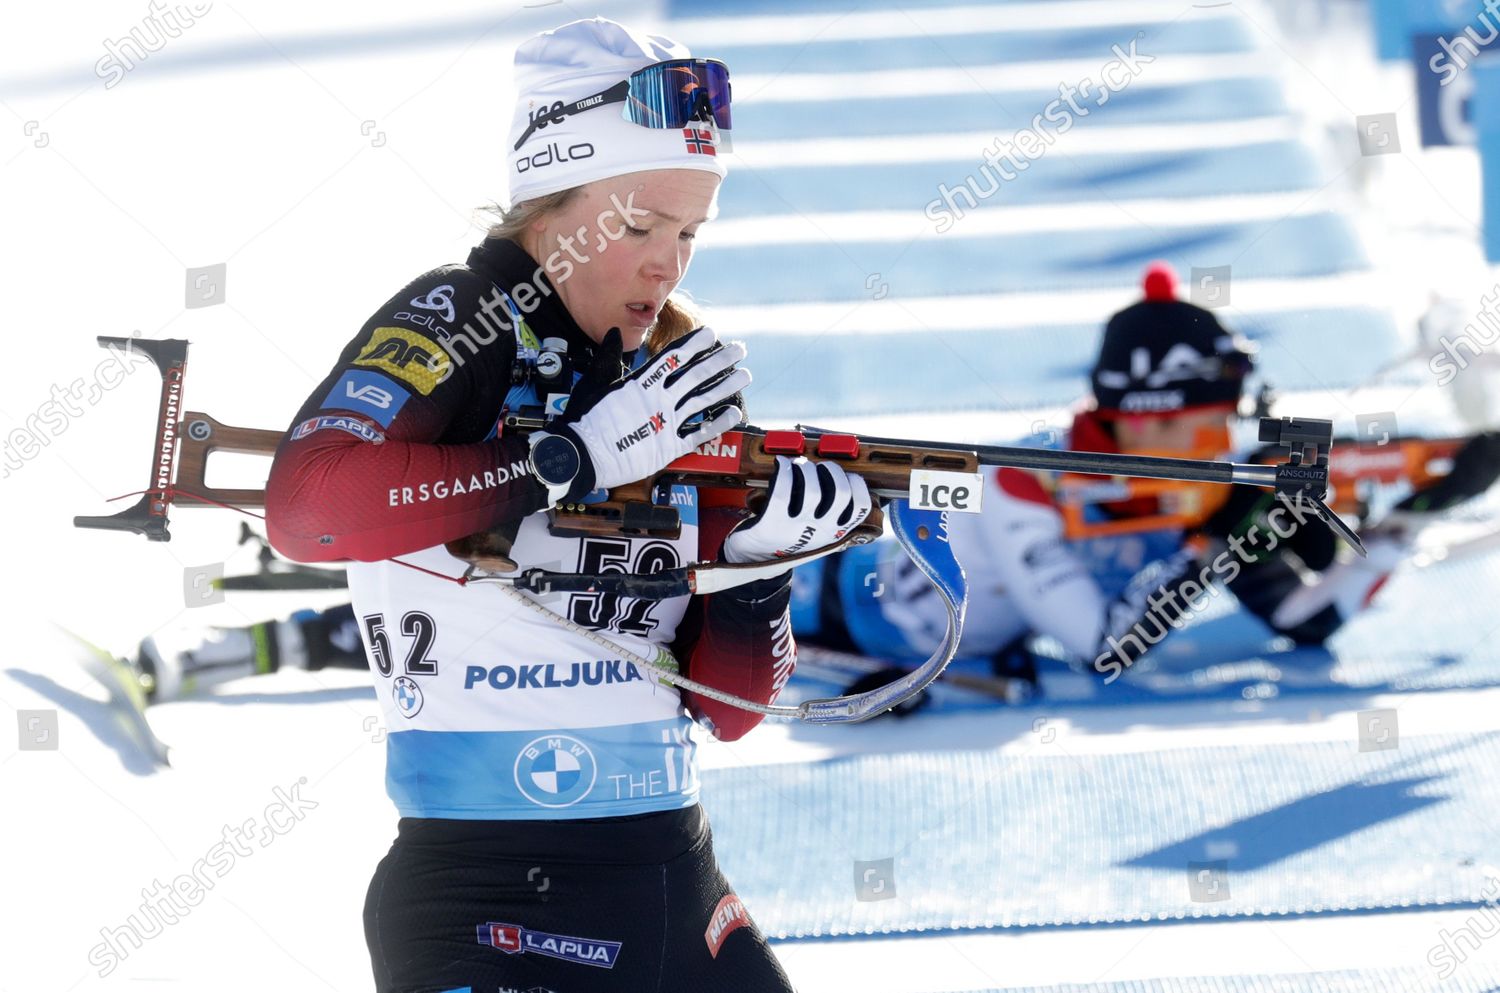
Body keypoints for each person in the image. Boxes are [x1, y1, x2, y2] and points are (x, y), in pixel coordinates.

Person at [262, 18, 871, 992]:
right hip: (489, 895)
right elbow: (307, 507)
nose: (666, 266)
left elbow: (733, 712)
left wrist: (762, 573)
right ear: (549, 205)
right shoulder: (463, 317)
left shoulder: (679, 374)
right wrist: (574, 455)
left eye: (689, 233)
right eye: (638, 226)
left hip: (678, 886)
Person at [796, 261, 1500, 707]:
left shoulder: (1207, 484)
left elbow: (1304, 620)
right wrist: (1209, 546)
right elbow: (1103, 648)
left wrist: (1406, 518)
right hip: (821, 599)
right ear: (1148, 424)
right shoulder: (1022, 487)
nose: (1229, 441)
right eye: (1209, 426)